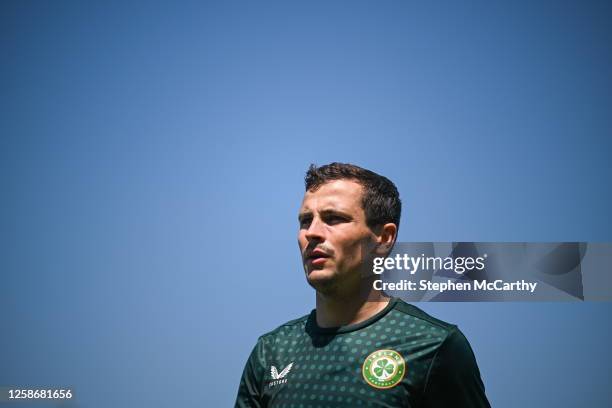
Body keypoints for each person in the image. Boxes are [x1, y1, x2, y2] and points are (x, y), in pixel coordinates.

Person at [235, 163, 490, 407]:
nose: (311, 233)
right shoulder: (271, 351)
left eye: (333, 218)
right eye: (305, 220)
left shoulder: (434, 345)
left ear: (384, 238)